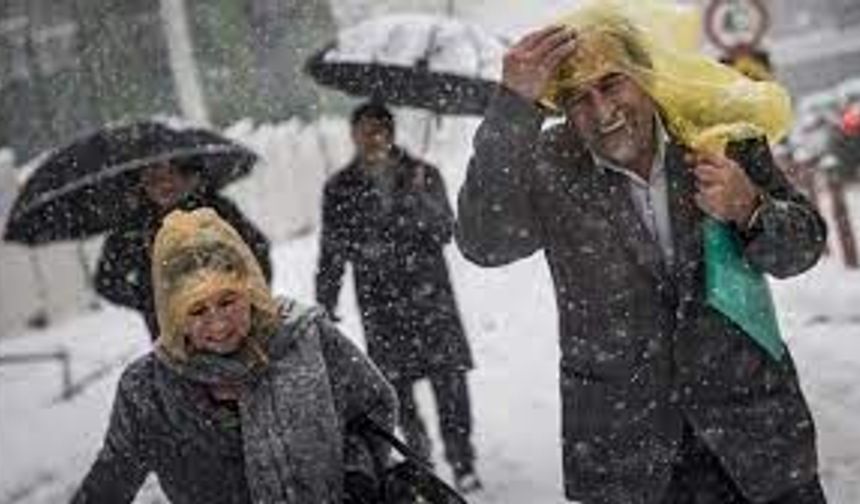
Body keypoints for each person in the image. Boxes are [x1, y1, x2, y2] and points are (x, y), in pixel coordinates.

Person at [456, 4, 829, 503]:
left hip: (757, 444)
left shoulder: (716, 137)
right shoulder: (548, 164)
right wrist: (511, 106)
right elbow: (484, 243)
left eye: (611, 85)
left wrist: (750, 208)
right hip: (627, 462)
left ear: (644, 77)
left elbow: (802, 249)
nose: (602, 111)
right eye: (578, 99)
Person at [74, 207, 397, 503]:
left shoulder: (306, 339)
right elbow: (111, 479)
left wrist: (357, 479)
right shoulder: (148, 389)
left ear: (250, 290)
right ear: (173, 315)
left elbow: (371, 411)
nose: (218, 323)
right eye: (197, 310)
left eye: (228, 301)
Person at [315, 102, 481, 492]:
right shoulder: (339, 188)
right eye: (364, 130)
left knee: (450, 382)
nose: (372, 138)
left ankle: (462, 460)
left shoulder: (424, 174)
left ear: (391, 133)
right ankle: (419, 456)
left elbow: (444, 232)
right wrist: (326, 299)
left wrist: (422, 197)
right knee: (394, 388)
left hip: (430, 297)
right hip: (380, 300)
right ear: (353, 135)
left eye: (379, 129)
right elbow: (332, 249)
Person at [95, 160, 271, 339]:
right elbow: (106, 281)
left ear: (184, 175)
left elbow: (257, 247)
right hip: (174, 333)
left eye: (171, 175)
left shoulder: (213, 207)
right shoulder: (132, 228)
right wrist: (152, 299)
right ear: (141, 186)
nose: (165, 185)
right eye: (153, 180)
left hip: (235, 317)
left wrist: (249, 290)